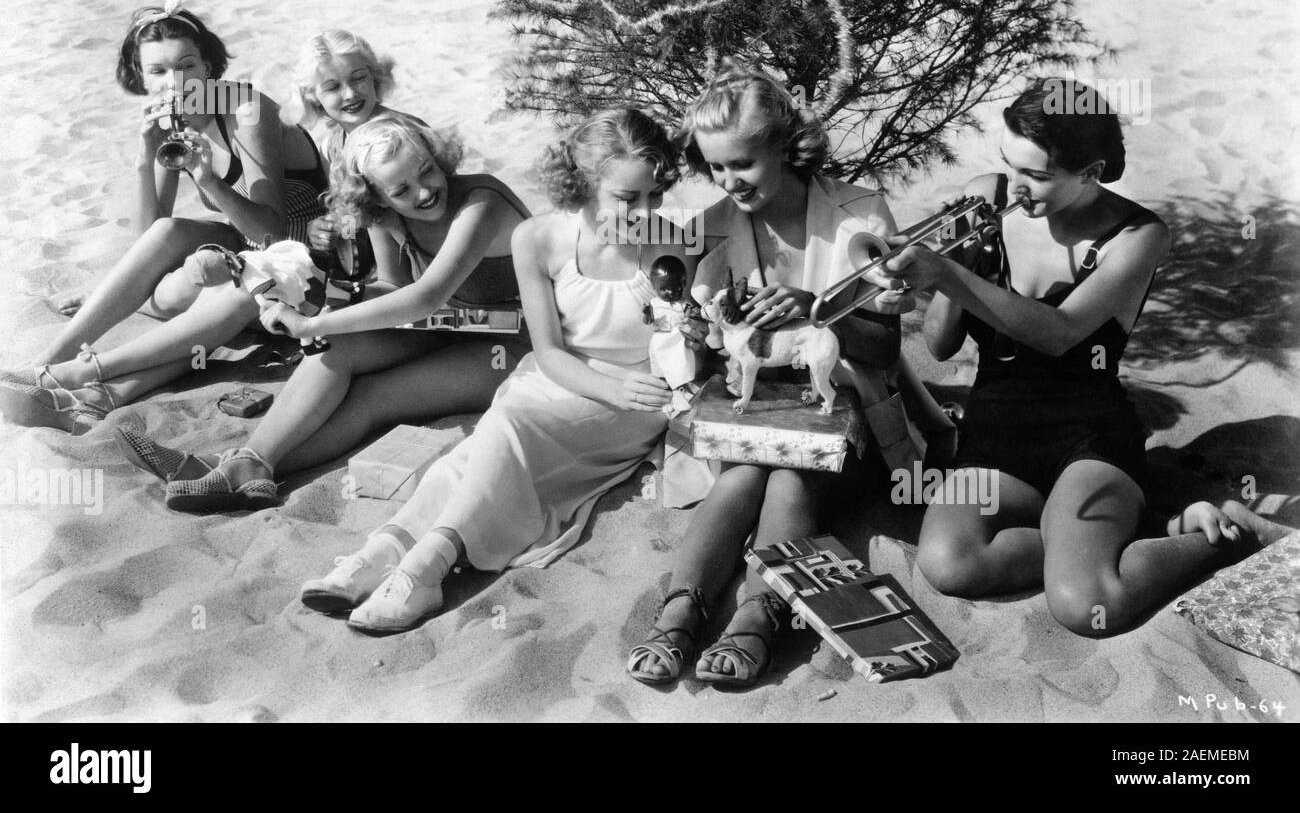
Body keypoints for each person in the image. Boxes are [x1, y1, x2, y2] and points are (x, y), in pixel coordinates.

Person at [888, 79, 1290, 637]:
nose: (1017, 188)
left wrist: (948, 273)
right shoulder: (989, 195)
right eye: (1011, 165)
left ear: (1091, 172)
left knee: (1084, 606)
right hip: (995, 435)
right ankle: (1127, 527)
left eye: (1038, 176)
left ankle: (1218, 539)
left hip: (1088, 439)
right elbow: (940, 345)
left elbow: (1059, 332)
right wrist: (959, 264)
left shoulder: (1139, 235)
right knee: (950, 565)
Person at [291, 107, 695, 635]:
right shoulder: (538, 239)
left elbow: (676, 353)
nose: (643, 211)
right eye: (626, 199)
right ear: (582, 185)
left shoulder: (674, 245)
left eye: (653, 195)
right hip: (556, 377)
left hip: (630, 403)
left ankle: (427, 563)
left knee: (501, 431)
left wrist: (682, 351)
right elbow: (548, 351)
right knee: (474, 452)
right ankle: (385, 548)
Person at [627, 64, 913, 688]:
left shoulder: (858, 214)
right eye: (717, 168)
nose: (730, 182)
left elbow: (885, 348)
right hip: (753, 417)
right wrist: (697, 332)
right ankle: (683, 606)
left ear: (786, 145)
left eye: (745, 165)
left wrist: (816, 305)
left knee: (787, 475)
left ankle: (760, 615)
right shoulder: (714, 224)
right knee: (747, 472)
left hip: (848, 416)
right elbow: (693, 328)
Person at [117, 112, 533, 513]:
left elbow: (425, 296)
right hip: (450, 327)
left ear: (437, 156)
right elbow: (391, 288)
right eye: (400, 190)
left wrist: (313, 323)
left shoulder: (481, 203)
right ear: (375, 195)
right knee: (335, 348)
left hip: (514, 345)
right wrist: (307, 291)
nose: (422, 192)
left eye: (426, 171)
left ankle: (226, 466)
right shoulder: (386, 214)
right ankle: (247, 462)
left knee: (374, 396)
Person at [1, 0, 328, 432]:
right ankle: (49, 363)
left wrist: (207, 179)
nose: (175, 81)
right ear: (140, 77)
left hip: (307, 260)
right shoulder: (171, 119)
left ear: (209, 66)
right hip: (248, 255)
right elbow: (151, 238)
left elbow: (270, 231)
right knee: (171, 242)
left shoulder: (246, 108)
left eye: (186, 65)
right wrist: (144, 156)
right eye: (158, 71)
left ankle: (92, 381)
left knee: (192, 297)